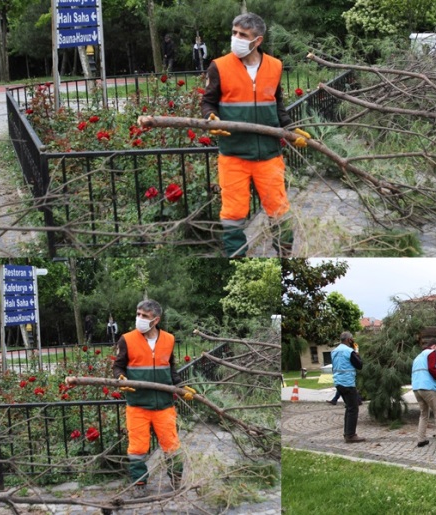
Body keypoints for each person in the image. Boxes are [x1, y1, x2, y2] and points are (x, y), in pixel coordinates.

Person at [201, 13, 311, 257]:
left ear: (257, 40)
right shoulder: (219, 66)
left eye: (243, 35)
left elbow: (277, 105)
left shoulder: (275, 66)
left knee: (279, 210)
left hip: (269, 154)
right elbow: (208, 102)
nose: (236, 38)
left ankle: (285, 256)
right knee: (232, 214)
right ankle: (237, 258)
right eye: (234, 33)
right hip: (233, 154)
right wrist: (210, 119)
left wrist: (291, 130)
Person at [112, 299, 197, 498]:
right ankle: (139, 483)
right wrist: (120, 378)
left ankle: (176, 478)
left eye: (145, 316)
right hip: (138, 403)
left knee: (171, 446)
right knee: (138, 448)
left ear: (156, 319)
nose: (139, 319)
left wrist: (181, 387)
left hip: (164, 404)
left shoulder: (168, 339)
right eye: (138, 314)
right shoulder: (127, 339)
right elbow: (118, 365)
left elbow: (171, 368)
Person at [330, 331, 364, 443]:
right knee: (353, 408)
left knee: (349, 408)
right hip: (348, 383)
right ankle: (350, 435)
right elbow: (359, 365)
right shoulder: (349, 351)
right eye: (352, 339)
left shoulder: (334, 351)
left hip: (338, 382)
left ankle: (347, 433)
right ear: (349, 340)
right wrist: (356, 352)